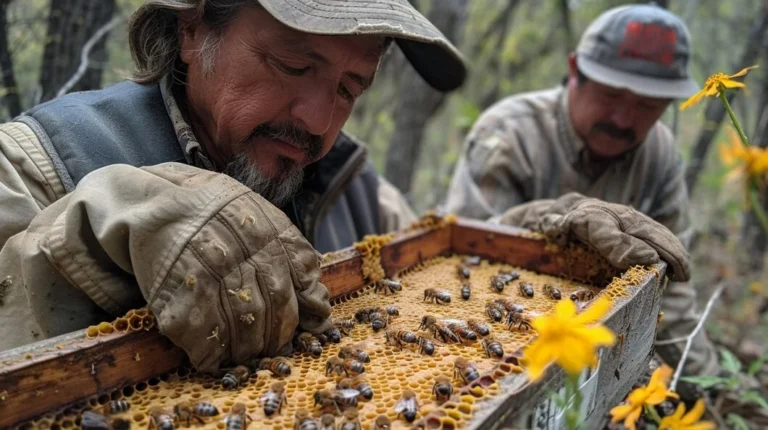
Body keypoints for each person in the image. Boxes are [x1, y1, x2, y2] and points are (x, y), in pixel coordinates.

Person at [0, 0, 690, 374]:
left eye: (350, 88)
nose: (319, 122)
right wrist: (100, 224)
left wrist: (529, 244)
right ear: (191, 28)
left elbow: (438, 270)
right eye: (294, 64)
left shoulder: (353, 188)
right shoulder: (36, 160)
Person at [445, 4, 718, 380]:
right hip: (502, 346)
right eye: (611, 95)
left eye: (646, 105)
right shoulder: (509, 133)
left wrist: (708, 387)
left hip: (604, 357)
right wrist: (558, 221)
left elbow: (673, 298)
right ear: (575, 70)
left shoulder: (661, 155)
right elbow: (464, 256)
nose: (623, 119)